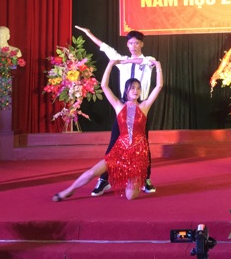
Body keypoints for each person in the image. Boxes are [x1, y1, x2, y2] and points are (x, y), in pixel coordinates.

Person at [51, 58, 163, 201]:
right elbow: (104, 86)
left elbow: (159, 86)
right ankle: (68, 191)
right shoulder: (118, 106)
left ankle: (128, 175)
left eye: (138, 88)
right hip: (120, 150)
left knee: (130, 196)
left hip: (138, 154)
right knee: (92, 172)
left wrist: (158, 65)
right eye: (132, 88)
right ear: (126, 90)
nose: (136, 91)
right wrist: (110, 64)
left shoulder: (144, 106)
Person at [74, 25, 158, 196]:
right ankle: (104, 180)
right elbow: (104, 47)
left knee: (143, 144)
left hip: (142, 106)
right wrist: (89, 33)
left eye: (136, 43)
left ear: (141, 44)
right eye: (131, 43)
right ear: (127, 44)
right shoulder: (121, 60)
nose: (133, 46)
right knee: (114, 143)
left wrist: (123, 62)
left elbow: (146, 62)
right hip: (123, 107)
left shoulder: (148, 60)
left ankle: (145, 179)